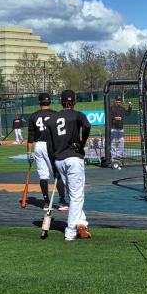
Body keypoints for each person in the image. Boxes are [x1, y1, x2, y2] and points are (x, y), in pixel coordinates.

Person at [46, 90, 92, 240]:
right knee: (77, 195)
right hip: (73, 158)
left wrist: (54, 165)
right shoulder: (78, 115)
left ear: (61, 101)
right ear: (74, 101)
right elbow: (87, 126)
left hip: (59, 159)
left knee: (73, 195)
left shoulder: (52, 119)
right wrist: (82, 143)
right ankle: (71, 232)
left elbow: (49, 146)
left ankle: (81, 223)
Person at [27, 93, 68, 211]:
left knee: (43, 175)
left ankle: (46, 202)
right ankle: (62, 201)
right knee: (57, 172)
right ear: (50, 102)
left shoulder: (33, 116)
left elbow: (30, 138)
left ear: (39, 102)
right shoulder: (56, 114)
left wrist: (29, 153)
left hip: (38, 146)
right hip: (51, 145)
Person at [109, 96, 132, 160]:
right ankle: (113, 156)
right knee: (112, 142)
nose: (119, 102)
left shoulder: (122, 108)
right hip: (113, 127)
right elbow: (109, 115)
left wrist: (130, 107)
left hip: (120, 128)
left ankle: (119, 155)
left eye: (120, 101)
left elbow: (127, 114)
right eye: (117, 100)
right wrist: (114, 118)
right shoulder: (111, 108)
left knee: (121, 141)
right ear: (115, 100)